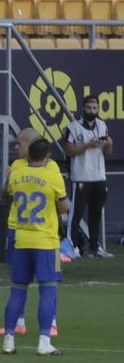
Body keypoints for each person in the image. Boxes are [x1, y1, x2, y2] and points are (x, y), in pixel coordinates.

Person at [2, 138, 68, 356]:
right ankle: (44, 340)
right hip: (46, 241)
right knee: (48, 289)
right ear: (47, 156)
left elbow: (7, 194)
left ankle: (9, 339)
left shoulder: (17, 174)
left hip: (21, 240)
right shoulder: (53, 175)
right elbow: (64, 207)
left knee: (17, 290)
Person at [0, 127, 59, 337]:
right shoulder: (17, 165)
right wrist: (8, 179)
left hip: (45, 234)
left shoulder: (52, 167)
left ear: (31, 146)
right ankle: (18, 321)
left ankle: (51, 323)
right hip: (17, 229)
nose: (16, 147)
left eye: (19, 143)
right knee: (18, 277)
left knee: (49, 281)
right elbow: (6, 196)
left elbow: (60, 201)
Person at [65, 94, 113, 258]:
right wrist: (88, 145)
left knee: (95, 213)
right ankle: (70, 246)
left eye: (95, 108)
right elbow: (69, 151)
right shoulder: (73, 127)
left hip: (99, 176)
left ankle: (94, 247)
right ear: (83, 108)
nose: (92, 111)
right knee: (76, 214)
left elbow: (107, 153)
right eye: (89, 108)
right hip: (80, 176)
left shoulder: (102, 125)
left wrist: (108, 144)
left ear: (98, 109)